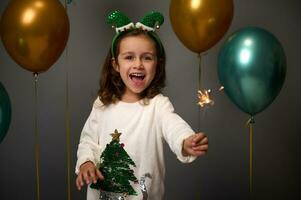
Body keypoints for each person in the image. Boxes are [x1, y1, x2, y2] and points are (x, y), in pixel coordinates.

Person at [75, 10, 208, 200]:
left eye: (147, 57)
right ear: (115, 64)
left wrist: (185, 141)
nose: (138, 64)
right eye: (129, 57)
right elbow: (88, 141)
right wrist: (86, 163)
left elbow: (174, 126)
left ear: (157, 64)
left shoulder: (158, 106)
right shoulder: (102, 105)